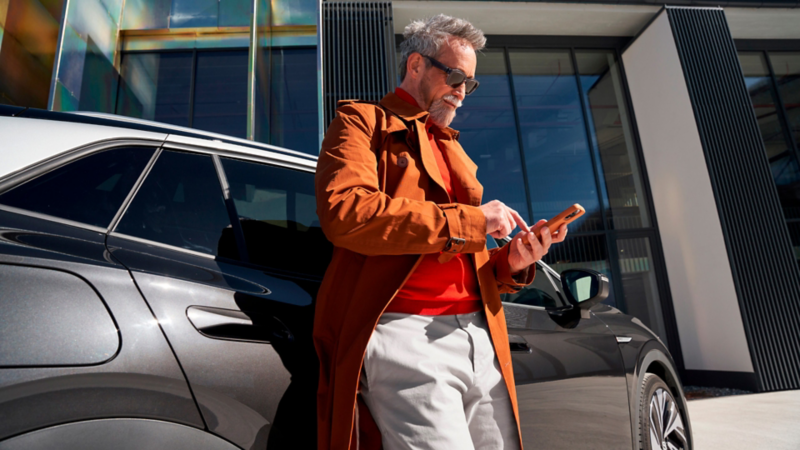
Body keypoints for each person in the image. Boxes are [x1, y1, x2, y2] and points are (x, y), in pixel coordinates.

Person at [314, 14, 568, 450]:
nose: (462, 92)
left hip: (480, 336)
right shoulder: (362, 123)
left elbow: (459, 258)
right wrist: (474, 221)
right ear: (415, 65)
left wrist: (513, 260)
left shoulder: (453, 149)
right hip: (405, 333)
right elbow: (347, 213)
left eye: (469, 84)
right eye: (455, 77)